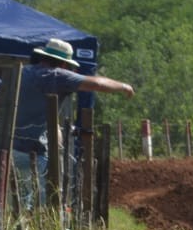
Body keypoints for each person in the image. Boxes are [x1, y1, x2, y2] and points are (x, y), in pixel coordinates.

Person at [9, 38, 133, 209]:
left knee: (18, 200)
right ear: (64, 64)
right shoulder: (57, 75)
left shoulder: (23, 72)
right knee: (46, 200)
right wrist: (123, 86)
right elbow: (96, 83)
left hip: (10, 149)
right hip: (36, 151)